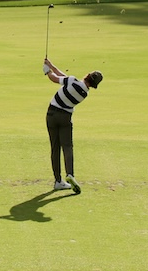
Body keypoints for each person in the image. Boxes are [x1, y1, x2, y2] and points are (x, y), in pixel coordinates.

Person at [43, 58, 103, 194]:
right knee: (67, 146)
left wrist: (47, 71)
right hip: (65, 118)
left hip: (51, 115)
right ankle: (70, 174)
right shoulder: (84, 94)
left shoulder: (72, 81)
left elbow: (55, 78)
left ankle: (58, 181)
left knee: (55, 147)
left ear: (87, 75)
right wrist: (51, 65)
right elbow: (64, 77)